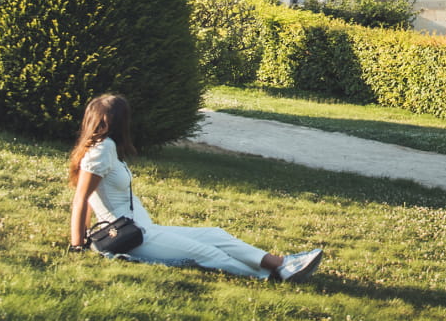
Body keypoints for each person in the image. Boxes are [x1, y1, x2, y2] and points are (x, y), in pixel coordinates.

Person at [68, 94, 322, 283]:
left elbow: (89, 198)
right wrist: (77, 244)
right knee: (207, 253)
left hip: (145, 229)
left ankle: (281, 263)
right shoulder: (102, 151)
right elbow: (82, 199)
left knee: (215, 234)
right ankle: (270, 275)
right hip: (133, 237)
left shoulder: (105, 149)